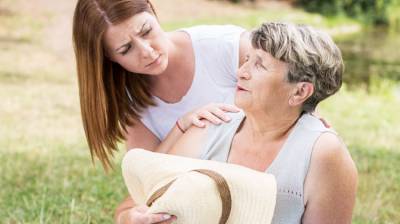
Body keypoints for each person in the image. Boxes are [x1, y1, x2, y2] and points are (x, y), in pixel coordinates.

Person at [72, 0, 249, 223]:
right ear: (109, 57)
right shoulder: (130, 101)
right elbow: (150, 180)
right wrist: (181, 127)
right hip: (205, 197)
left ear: (152, 10)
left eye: (146, 31)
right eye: (126, 49)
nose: (147, 52)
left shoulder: (226, 47)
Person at [163, 22, 358, 223]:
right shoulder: (211, 125)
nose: (241, 72)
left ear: (300, 92)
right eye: (246, 59)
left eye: (259, 65)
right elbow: (147, 201)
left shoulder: (323, 154)